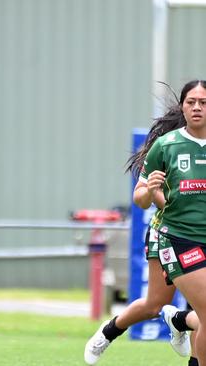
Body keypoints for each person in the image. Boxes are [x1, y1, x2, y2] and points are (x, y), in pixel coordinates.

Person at [84, 80, 206, 365]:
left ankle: (178, 320)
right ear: (183, 107)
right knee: (164, 305)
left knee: (172, 307)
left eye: (204, 102)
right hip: (176, 236)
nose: (198, 107)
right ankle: (109, 331)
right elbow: (140, 199)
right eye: (192, 102)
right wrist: (150, 191)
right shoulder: (167, 146)